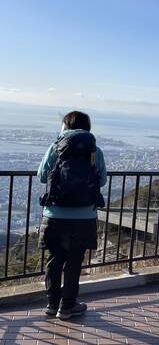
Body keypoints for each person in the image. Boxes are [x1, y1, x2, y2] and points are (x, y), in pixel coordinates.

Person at [38, 111, 107, 319]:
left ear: (65, 126)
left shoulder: (56, 147)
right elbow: (102, 180)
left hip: (55, 214)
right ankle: (67, 307)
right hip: (84, 216)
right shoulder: (95, 151)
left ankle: (52, 303)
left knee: (53, 260)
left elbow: (42, 176)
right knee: (74, 262)